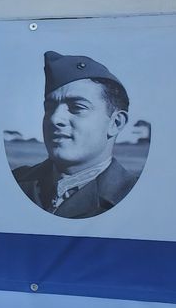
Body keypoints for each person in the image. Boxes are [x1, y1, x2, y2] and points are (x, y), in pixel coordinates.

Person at [13, 50, 137, 219]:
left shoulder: (134, 195)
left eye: (77, 107)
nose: (55, 118)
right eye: (50, 107)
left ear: (116, 123)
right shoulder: (17, 181)